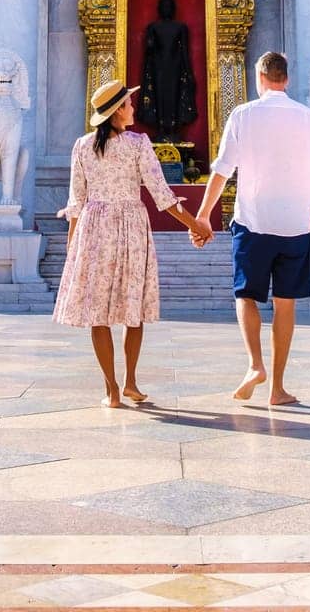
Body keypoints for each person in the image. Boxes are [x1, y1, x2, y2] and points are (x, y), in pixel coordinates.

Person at [54, 76, 213, 407]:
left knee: (97, 312)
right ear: (115, 113)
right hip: (130, 227)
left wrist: (73, 244)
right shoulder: (138, 144)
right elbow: (162, 196)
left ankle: (111, 388)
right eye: (127, 104)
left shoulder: (82, 145)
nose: (132, 108)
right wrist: (195, 223)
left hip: (93, 227)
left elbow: (77, 201)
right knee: (133, 306)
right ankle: (130, 382)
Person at [193, 51, 310, 406]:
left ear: (259, 78)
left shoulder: (243, 115)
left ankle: (255, 364)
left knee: (245, 295)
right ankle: (277, 388)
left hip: (254, 222)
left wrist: (202, 216)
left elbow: (222, 171)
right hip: (295, 226)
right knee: (285, 304)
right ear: (285, 79)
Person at [138, 0, 198, 140]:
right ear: (159, 9)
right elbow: (148, 52)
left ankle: (174, 130)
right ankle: (161, 130)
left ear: (173, 8)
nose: (166, 9)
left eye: (169, 6)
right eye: (164, 6)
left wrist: (189, 73)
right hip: (157, 69)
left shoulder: (180, 27)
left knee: (175, 97)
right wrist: (150, 46)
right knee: (159, 98)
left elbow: (184, 50)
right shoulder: (153, 27)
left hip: (176, 68)